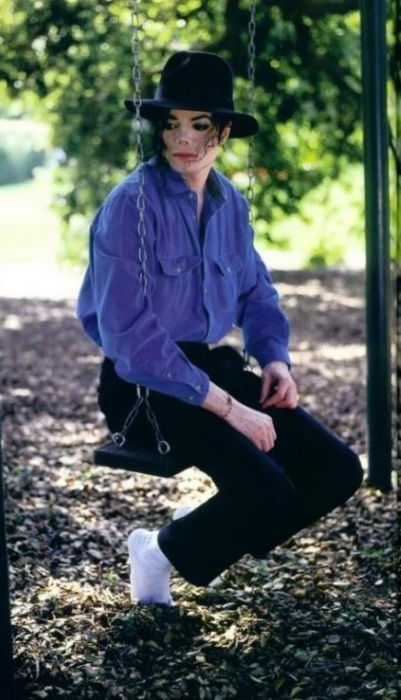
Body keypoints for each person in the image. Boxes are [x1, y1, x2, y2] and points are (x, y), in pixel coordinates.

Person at [76, 51, 363, 605]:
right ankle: (158, 554)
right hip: (142, 386)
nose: (183, 138)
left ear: (224, 131)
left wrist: (274, 358)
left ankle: (195, 534)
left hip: (210, 367)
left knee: (336, 471)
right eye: (172, 123)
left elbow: (256, 291)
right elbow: (130, 339)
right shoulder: (129, 207)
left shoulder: (230, 203)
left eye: (200, 124)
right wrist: (233, 410)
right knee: (266, 490)